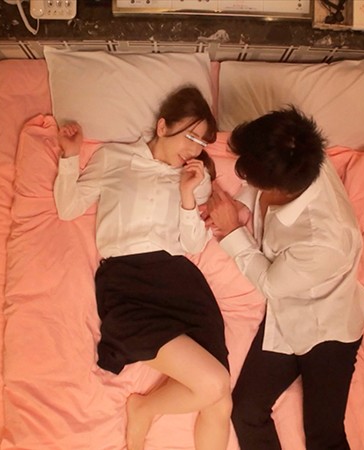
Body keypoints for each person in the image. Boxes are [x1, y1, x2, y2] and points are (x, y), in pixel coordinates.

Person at [53, 86, 231, 450]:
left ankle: (145, 408)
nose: (194, 149)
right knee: (215, 385)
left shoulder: (196, 178)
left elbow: (194, 244)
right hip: (127, 281)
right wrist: (70, 157)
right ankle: (144, 409)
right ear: (163, 127)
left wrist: (188, 194)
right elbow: (69, 208)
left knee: (221, 400)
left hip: (181, 283)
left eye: (202, 142)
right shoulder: (114, 158)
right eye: (190, 136)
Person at [204, 107, 364, 450]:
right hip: (285, 315)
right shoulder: (297, 153)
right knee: (246, 412)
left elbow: (270, 283)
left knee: (324, 437)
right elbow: (262, 186)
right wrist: (240, 206)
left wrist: (233, 231)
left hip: (327, 328)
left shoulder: (325, 240)